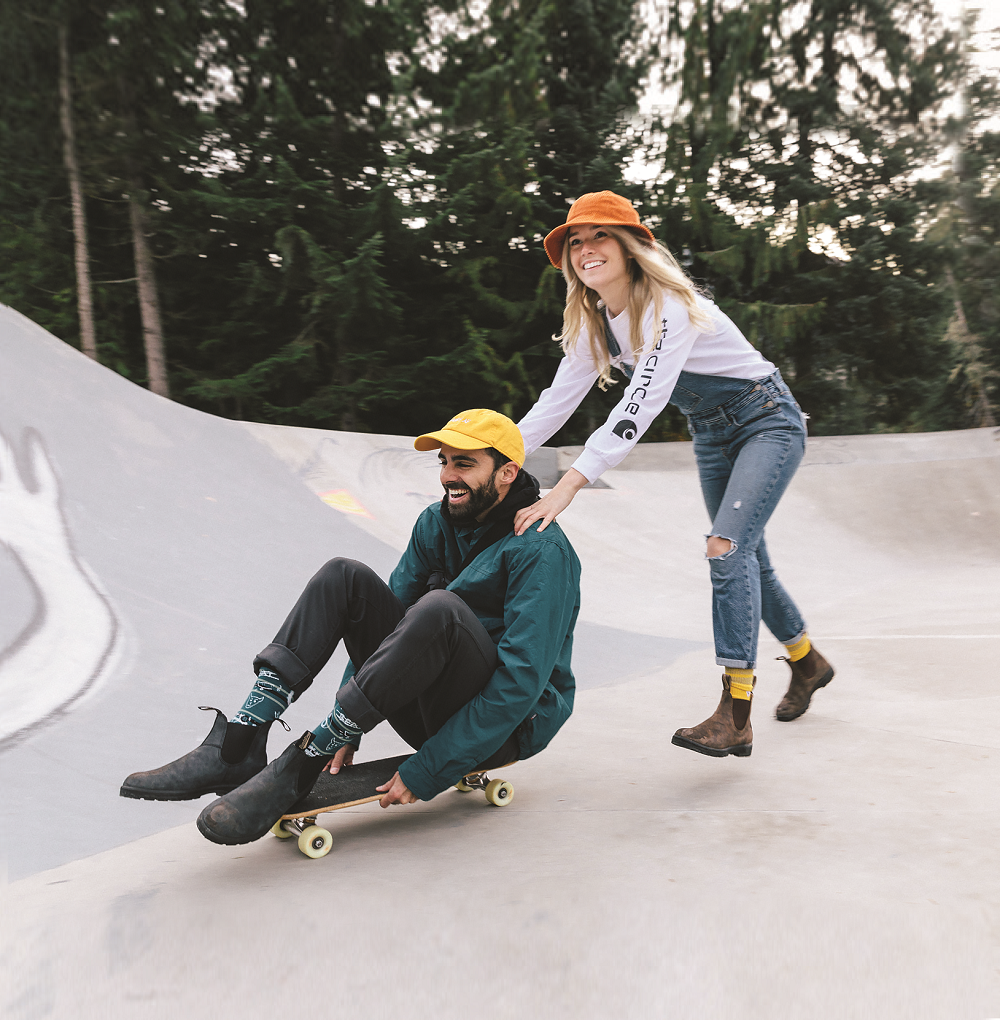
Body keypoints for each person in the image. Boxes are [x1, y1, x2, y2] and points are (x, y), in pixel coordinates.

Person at [121, 409, 581, 845]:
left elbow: (521, 682)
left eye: (465, 464)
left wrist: (431, 768)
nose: (447, 476)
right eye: (444, 463)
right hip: (431, 703)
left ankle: (306, 760)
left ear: (506, 472)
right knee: (343, 576)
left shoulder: (540, 550)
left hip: (508, 728)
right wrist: (353, 726)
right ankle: (239, 743)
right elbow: (388, 627)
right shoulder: (436, 523)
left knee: (441, 608)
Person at [513, 191, 834, 758]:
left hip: (766, 420)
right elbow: (556, 402)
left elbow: (642, 400)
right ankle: (807, 662)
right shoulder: (596, 322)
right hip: (712, 431)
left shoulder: (667, 305)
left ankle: (735, 714)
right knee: (746, 556)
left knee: (725, 547)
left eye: (600, 236)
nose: (586, 250)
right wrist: (498, 452)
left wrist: (568, 485)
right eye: (576, 242)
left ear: (632, 246)